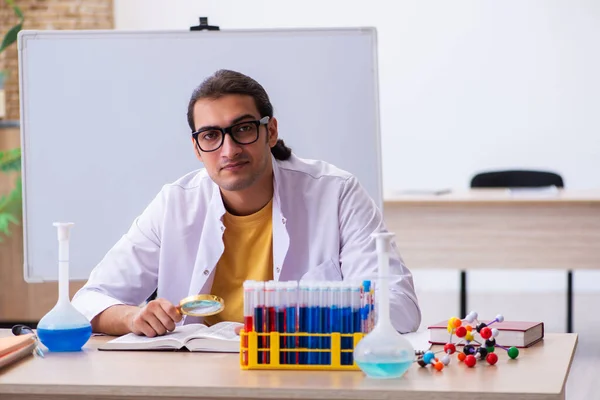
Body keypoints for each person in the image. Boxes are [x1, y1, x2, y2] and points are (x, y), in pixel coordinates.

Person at [71, 69, 421, 337]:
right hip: (194, 379)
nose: (229, 150)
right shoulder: (175, 204)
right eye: (211, 135)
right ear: (197, 148)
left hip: (302, 374)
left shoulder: (336, 193)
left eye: (243, 129)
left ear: (270, 132)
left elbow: (400, 308)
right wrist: (133, 316)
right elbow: (89, 300)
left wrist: (297, 318)